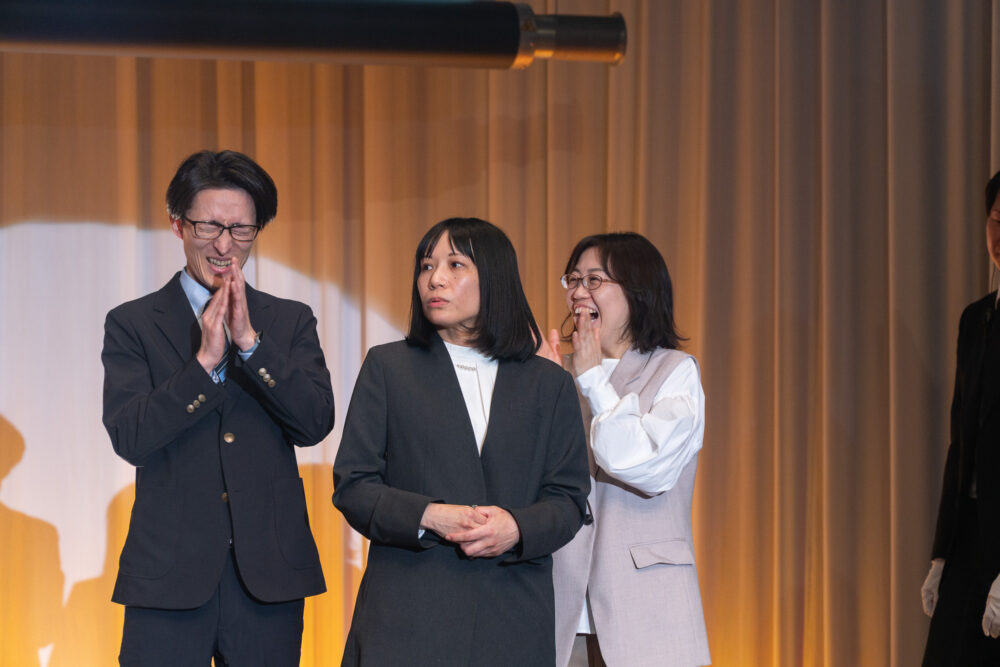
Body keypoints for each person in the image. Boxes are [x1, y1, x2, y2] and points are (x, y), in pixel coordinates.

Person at [101, 149, 334, 665]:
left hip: (269, 577)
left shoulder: (290, 320)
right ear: (178, 224)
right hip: (167, 578)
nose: (225, 245)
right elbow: (131, 437)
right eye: (209, 226)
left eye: (241, 229)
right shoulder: (132, 323)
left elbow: (315, 423)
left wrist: (250, 344)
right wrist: (204, 364)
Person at [332, 217, 591, 666]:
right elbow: (354, 485)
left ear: (494, 276)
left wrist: (517, 527)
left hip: (512, 617)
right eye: (426, 266)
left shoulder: (548, 383)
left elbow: (569, 499)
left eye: (455, 265)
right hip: (408, 616)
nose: (435, 279)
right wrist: (430, 515)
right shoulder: (389, 367)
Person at [539, 232, 711, 667]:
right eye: (573, 279)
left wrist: (593, 379)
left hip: (649, 611)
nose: (579, 292)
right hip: (561, 611)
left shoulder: (675, 372)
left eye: (594, 280)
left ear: (638, 291)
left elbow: (646, 466)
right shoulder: (553, 373)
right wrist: (537, 390)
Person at [922, 169, 1000, 665]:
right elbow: (961, 441)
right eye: (996, 219)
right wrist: (940, 553)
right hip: (969, 530)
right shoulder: (976, 319)